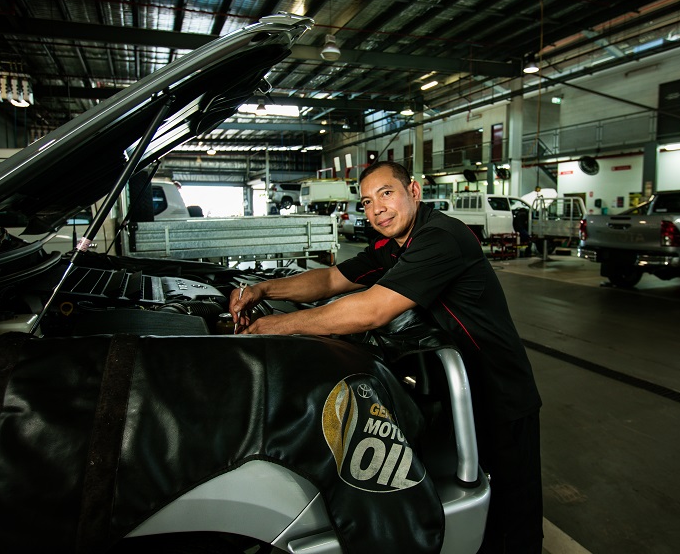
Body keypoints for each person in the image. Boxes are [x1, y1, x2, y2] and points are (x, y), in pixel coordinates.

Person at [231, 161, 543, 553]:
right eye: (365, 202)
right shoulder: (390, 246)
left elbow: (371, 310)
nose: (375, 208)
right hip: (452, 393)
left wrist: (272, 327)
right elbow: (330, 280)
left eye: (386, 193)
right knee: (469, 502)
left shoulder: (441, 238)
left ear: (413, 191)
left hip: (499, 393)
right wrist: (263, 290)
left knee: (513, 517)